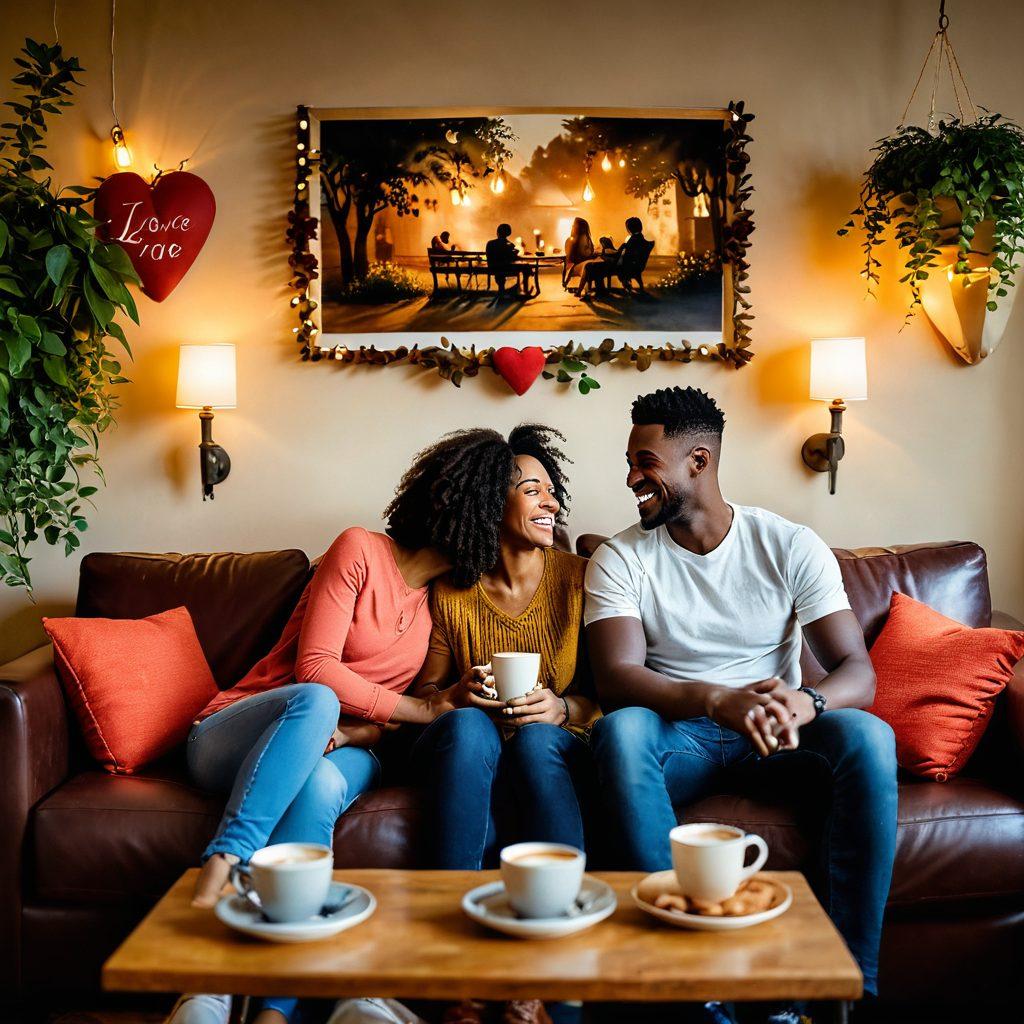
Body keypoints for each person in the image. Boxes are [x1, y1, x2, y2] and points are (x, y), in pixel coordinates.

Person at [172, 430, 527, 1024]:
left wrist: (360, 731)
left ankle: (272, 1009)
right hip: (238, 734)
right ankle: (224, 866)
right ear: (470, 512)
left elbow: (386, 725)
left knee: (318, 783)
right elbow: (316, 669)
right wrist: (424, 711)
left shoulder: (436, 607)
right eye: (501, 514)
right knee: (315, 700)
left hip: (343, 747)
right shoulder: (359, 549)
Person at [584, 386, 898, 1001]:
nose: (631, 478)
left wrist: (807, 703)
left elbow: (857, 671)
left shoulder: (788, 544)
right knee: (620, 731)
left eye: (645, 463)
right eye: (630, 463)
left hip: (777, 732)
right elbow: (617, 679)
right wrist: (714, 700)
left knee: (869, 736)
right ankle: (693, 989)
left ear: (698, 461)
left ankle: (845, 988)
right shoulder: (620, 559)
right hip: (683, 734)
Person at [408, 425, 601, 869]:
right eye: (533, 491)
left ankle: (562, 893)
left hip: (553, 745)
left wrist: (562, 708)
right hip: (474, 747)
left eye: (551, 491)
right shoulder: (452, 592)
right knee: (468, 726)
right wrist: (459, 695)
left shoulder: (581, 578)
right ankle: (454, 892)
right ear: (491, 503)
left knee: (537, 739)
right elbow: (425, 692)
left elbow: (610, 692)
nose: (551, 504)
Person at [485, 223, 526, 295]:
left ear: (497, 232)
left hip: (492, 267)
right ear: (508, 233)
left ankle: (503, 289)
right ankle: (524, 286)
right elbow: (511, 257)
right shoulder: (509, 244)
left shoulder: (490, 243)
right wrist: (515, 253)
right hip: (505, 267)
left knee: (500, 271)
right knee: (526, 267)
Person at [562, 217, 595, 290]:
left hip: (581, 261)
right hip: (578, 262)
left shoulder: (583, 238)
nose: (572, 226)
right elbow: (583, 253)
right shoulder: (575, 239)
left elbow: (585, 253)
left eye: (574, 225)